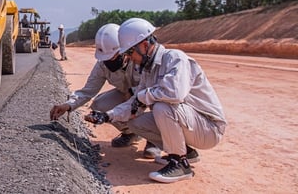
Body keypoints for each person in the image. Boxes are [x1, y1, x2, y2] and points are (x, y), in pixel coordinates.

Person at [88, 18, 227, 183]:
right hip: (192, 125)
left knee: (162, 107)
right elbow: (134, 104)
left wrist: (142, 96)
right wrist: (107, 116)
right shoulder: (148, 71)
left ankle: (180, 164)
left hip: (209, 128)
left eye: (130, 53)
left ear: (144, 46)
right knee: (135, 123)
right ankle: (187, 153)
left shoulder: (175, 59)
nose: (130, 59)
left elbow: (175, 93)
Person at [50, 24, 160, 158]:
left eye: (113, 57)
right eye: (106, 58)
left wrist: (134, 92)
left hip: (147, 94)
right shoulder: (102, 65)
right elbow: (87, 91)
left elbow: (156, 85)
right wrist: (68, 105)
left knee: (158, 102)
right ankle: (130, 132)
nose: (109, 62)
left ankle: (154, 140)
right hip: (125, 96)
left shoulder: (140, 58)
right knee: (100, 105)